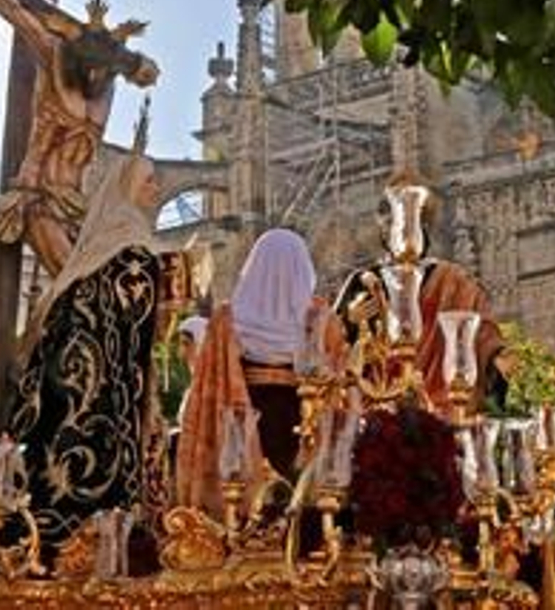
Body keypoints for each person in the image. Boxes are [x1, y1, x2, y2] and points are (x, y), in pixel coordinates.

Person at [6, 153, 177, 548]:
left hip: (58, 387)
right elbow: (136, 334)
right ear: (126, 188)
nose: (156, 190)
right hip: (102, 396)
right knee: (94, 505)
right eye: (149, 181)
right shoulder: (135, 251)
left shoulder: (96, 249)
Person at [0, 0, 160, 277]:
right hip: (39, 197)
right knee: (74, 281)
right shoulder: (54, 56)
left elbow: (148, 74)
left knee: (97, 282)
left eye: (104, 70)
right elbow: (16, 11)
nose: (96, 77)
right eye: (92, 68)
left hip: (78, 206)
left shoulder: (107, 83)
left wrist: (132, 59)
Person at [177, 229, 341, 514]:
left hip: (242, 424)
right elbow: (339, 382)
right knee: (304, 510)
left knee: (243, 514)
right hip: (303, 422)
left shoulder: (226, 320)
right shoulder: (320, 318)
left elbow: (206, 390)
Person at [333, 174, 511, 414]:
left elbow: (481, 335)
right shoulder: (364, 281)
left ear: (423, 228)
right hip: (378, 409)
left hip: (443, 407)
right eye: (393, 225)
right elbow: (333, 348)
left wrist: (496, 358)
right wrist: (350, 321)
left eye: (409, 224)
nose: (400, 233)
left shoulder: (453, 280)